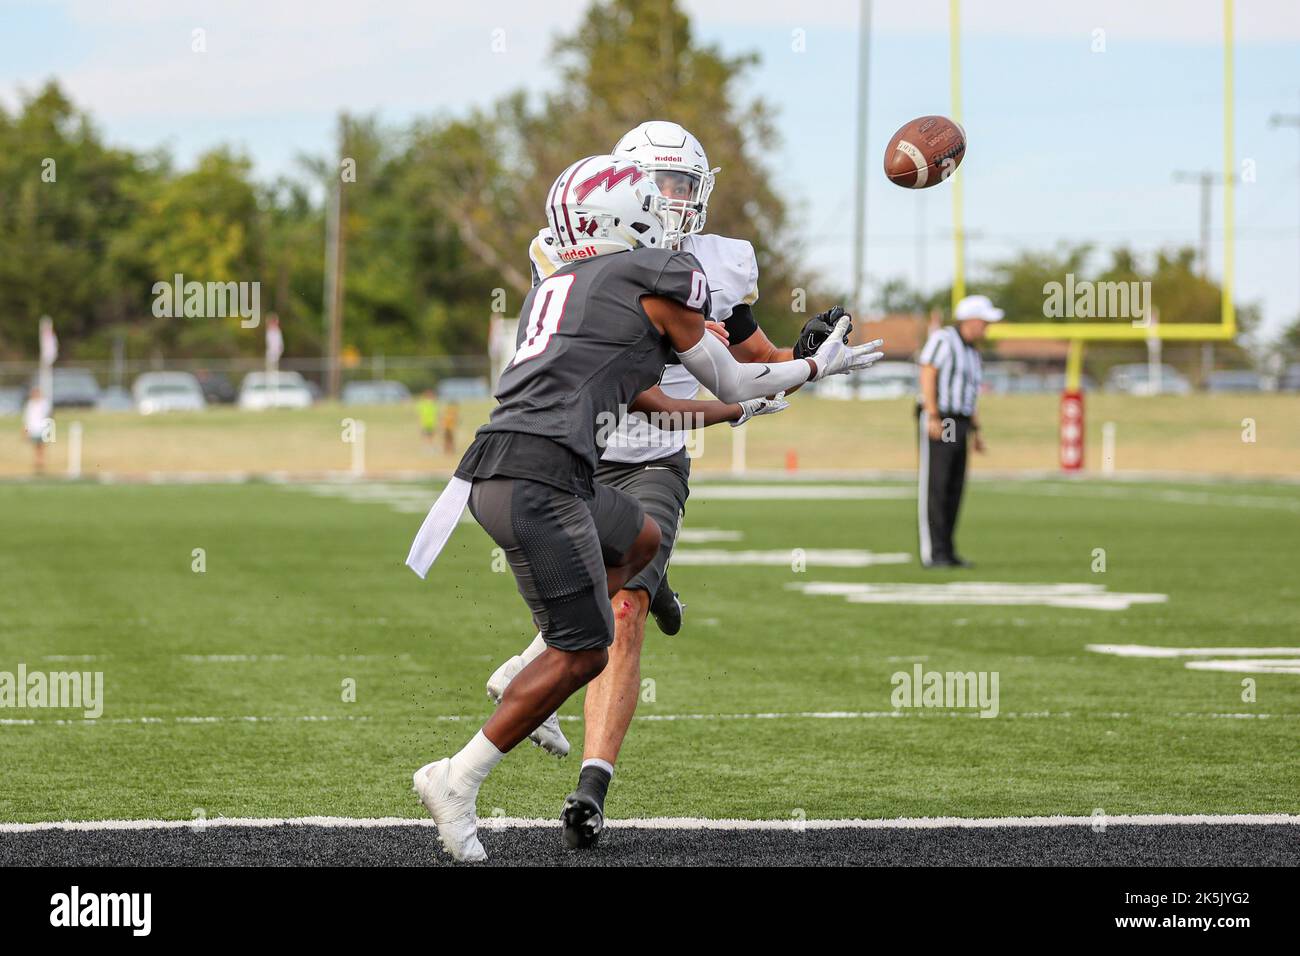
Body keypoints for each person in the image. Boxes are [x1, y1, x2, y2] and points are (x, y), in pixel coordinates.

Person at [405, 154, 881, 861]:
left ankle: (526, 663)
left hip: (503, 468)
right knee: (587, 653)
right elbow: (728, 372)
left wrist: (739, 406)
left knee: (642, 541)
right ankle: (458, 777)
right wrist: (815, 368)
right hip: (543, 478)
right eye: (650, 203)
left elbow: (649, 398)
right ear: (622, 219)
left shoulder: (561, 288)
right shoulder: (651, 277)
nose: (665, 214)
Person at [916, 294, 1000, 568]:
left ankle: (948, 550)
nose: (987, 327)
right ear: (971, 320)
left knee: (954, 486)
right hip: (942, 417)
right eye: (984, 321)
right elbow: (928, 372)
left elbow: (970, 393)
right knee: (937, 484)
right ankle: (934, 552)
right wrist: (932, 415)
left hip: (960, 421)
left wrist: (976, 430)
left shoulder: (973, 351)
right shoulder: (944, 339)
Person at [22, 386, 51, 475]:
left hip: (42, 429)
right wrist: (25, 430)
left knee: (41, 446)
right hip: (33, 429)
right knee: (35, 447)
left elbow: (48, 416)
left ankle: (41, 463)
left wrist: (49, 429)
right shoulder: (30, 404)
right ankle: (37, 463)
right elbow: (27, 418)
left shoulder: (44, 403)